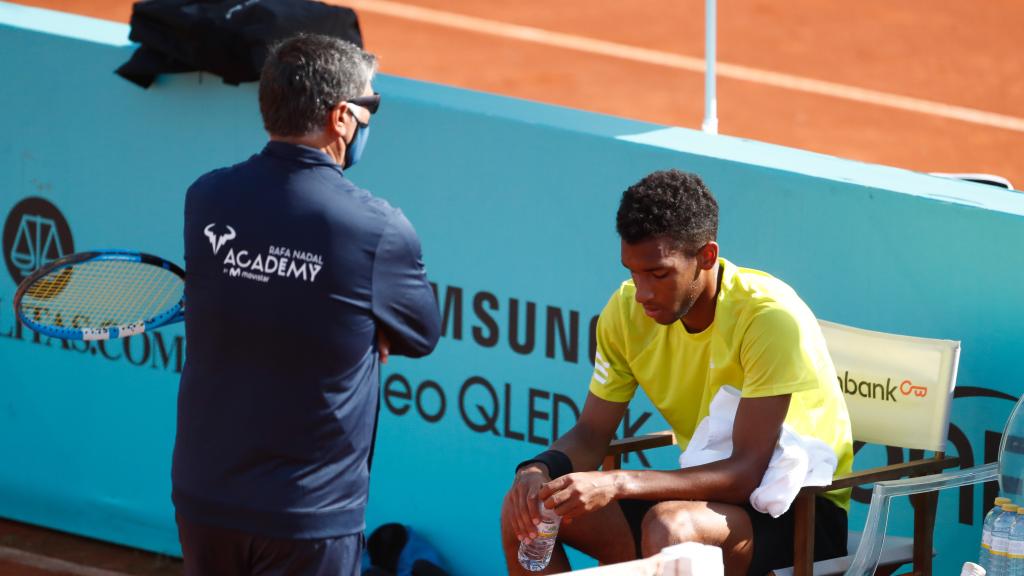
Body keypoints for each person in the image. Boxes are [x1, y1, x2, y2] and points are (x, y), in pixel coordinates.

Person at [172, 34, 441, 576]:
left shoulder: (207, 197)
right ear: (342, 117)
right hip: (308, 515)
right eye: (371, 105)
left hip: (204, 497)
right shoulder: (377, 228)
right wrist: (370, 326)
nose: (371, 119)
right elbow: (420, 334)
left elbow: (263, 296)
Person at [500, 170, 853, 576]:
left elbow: (745, 474)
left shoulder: (768, 317)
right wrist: (537, 469)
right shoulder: (625, 311)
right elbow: (591, 434)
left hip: (799, 513)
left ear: (706, 256)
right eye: (633, 272)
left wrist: (616, 483)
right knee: (527, 516)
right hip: (701, 505)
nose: (643, 292)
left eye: (659, 273)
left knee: (670, 528)